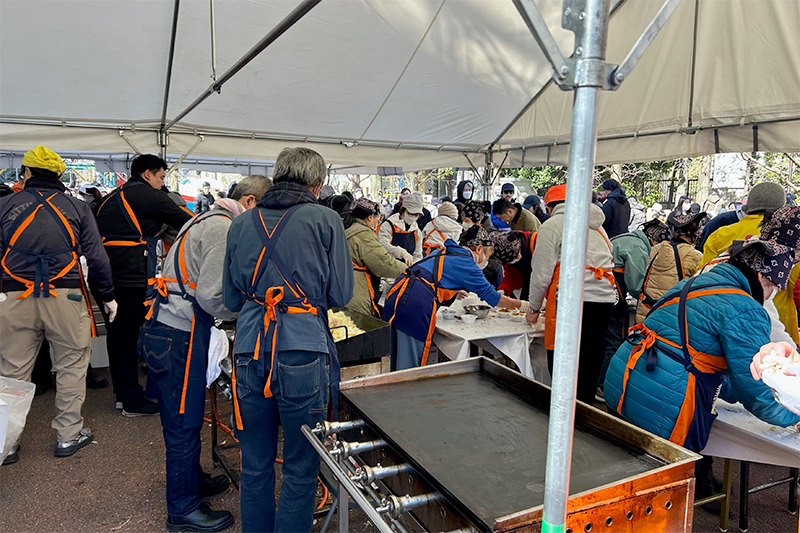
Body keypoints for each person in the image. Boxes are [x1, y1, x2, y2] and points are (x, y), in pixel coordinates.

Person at [604, 237, 800, 508]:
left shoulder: (694, 283)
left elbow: (717, 363)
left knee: (622, 474)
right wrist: (792, 415)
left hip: (625, 379)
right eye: (771, 287)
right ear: (759, 276)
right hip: (666, 400)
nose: (769, 295)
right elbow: (755, 387)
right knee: (658, 499)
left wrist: (734, 394)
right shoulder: (745, 308)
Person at [223, 147, 353, 533]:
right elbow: (341, 294)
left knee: (255, 463)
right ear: (317, 183)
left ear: (277, 176)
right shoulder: (326, 219)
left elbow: (231, 301)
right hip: (303, 349)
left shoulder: (241, 223)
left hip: (249, 350)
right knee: (300, 466)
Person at [0, 145, 115, 463]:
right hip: (66, 297)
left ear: (26, 172)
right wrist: (107, 296)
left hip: (13, 296)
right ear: (59, 175)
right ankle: (68, 435)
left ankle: (6, 444)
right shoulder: (77, 208)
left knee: (11, 372)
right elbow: (97, 257)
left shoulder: (5, 204)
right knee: (71, 365)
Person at [139, 199, 248, 532]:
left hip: (164, 327)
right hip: (179, 335)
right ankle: (182, 510)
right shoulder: (223, 228)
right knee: (183, 424)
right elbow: (212, 296)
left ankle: (192, 479)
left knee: (182, 417)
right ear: (249, 203)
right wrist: (244, 311)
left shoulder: (203, 219)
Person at [94, 154, 193, 416]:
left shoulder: (111, 197)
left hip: (105, 277)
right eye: (161, 177)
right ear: (148, 174)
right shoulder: (148, 195)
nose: (162, 184)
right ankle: (131, 401)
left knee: (117, 337)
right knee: (128, 338)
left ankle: (123, 393)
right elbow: (193, 221)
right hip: (128, 276)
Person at [384, 226, 528, 370]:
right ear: (478, 248)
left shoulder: (446, 251)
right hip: (413, 305)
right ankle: (407, 391)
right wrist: (522, 305)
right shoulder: (467, 264)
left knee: (396, 359)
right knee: (410, 365)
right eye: (488, 255)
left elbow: (431, 275)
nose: (487, 260)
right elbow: (493, 298)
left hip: (396, 296)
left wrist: (452, 290)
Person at [526, 184, 616, 404]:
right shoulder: (598, 228)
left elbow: (541, 272)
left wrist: (534, 308)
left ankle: (561, 417)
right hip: (603, 300)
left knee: (562, 362)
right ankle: (584, 413)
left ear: (550, 206)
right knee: (589, 362)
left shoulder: (554, 225)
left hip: (571, 299)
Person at [700, 182, 799, 343]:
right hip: (777, 331)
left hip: (726, 326)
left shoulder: (721, 235)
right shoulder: (789, 239)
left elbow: (702, 277)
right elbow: (796, 285)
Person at [597, 219, 670, 397]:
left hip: (598, 292)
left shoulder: (625, 238)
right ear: (655, 240)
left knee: (601, 339)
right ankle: (602, 385)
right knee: (615, 339)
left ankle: (595, 380)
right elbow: (636, 284)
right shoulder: (637, 247)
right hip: (613, 295)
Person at [635, 211, 705, 324]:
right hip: (671, 315)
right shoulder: (694, 255)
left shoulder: (656, 249)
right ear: (694, 234)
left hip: (647, 312)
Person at [344, 198, 406, 317]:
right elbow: (384, 263)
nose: (378, 223)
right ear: (370, 217)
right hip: (357, 293)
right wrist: (407, 270)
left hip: (345, 288)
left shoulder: (349, 229)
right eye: (378, 219)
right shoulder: (363, 234)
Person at [378, 191, 424, 266]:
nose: (413, 217)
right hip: (389, 268)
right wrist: (402, 253)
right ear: (403, 210)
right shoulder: (388, 225)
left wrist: (415, 264)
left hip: (408, 271)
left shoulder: (416, 231)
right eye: (410, 214)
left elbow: (418, 254)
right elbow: (383, 244)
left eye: (416, 215)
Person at [492, 230, 536, 300]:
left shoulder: (536, 242)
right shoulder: (504, 252)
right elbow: (512, 275)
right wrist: (503, 290)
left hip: (548, 288)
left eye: (515, 257)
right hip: (528, 289)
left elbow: (548, 274)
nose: (517, 259)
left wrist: (545, 297)